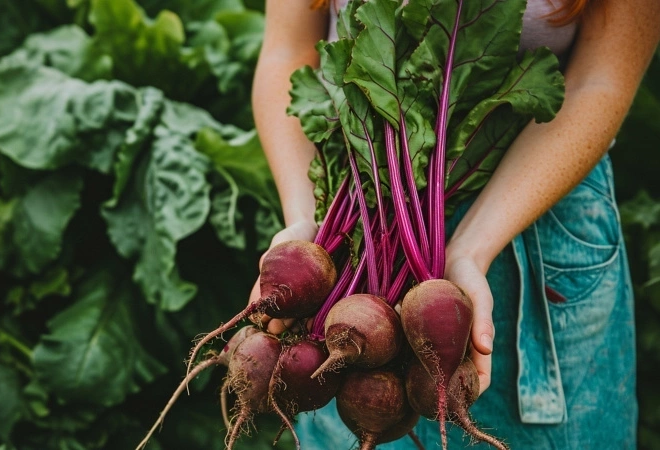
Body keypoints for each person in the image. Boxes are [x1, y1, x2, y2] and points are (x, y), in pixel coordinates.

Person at [248, 0, 660, 448]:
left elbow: (601, 80)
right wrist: (306, 224)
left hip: (533, 226)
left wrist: (470, 251)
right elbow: (287, 53)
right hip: (351, 254)